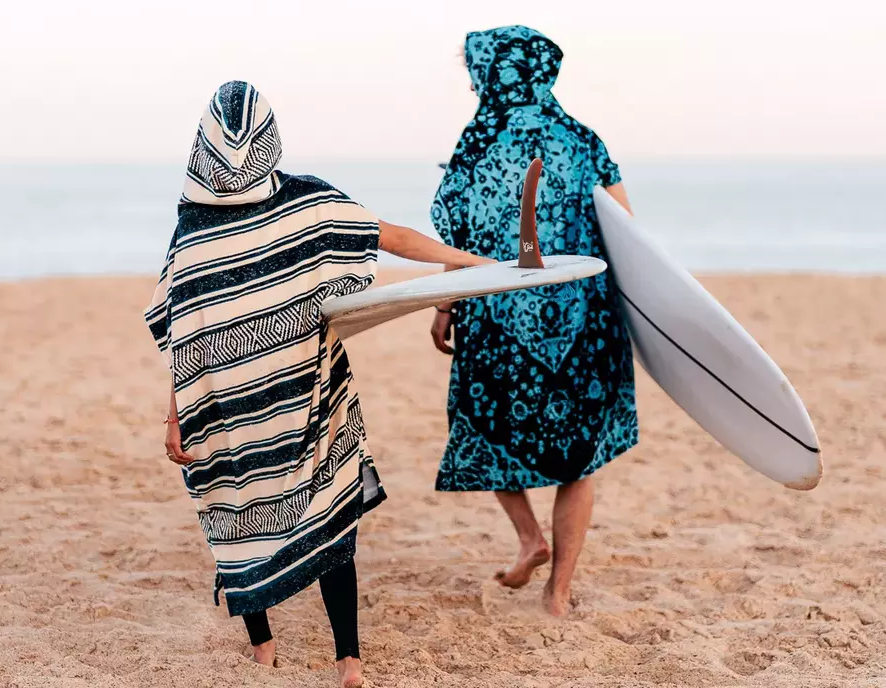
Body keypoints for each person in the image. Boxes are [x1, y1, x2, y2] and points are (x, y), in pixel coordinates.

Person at [146, 81, 490, 687]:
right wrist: (468, 262)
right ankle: (342, 663)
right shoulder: (296, 204)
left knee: (240, 509)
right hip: (291, 398)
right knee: (326, 508)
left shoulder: (206, 225)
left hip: (243, 406)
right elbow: (388, 237)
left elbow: (182, 332)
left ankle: (278, 652)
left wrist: (177, 413)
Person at [430, 26, 638, 617]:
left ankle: (528, 537)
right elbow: (624, 226)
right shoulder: (581, 138)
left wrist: (446, 305)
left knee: (484, 429)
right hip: (584, 324)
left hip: (498, 321)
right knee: (582, 455)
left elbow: (457, 235)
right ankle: (559, 593)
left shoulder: (478, 141)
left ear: (490, 74)